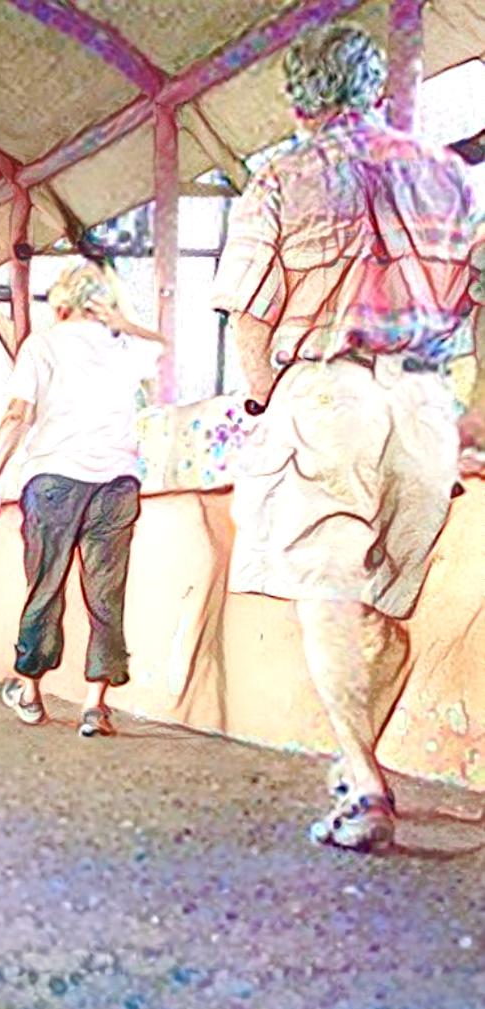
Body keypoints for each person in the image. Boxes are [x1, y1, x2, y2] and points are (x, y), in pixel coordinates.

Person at [211, 23, 484, 851]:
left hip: (326, 392)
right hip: (426, 404)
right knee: (390, 602)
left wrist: (262, 404)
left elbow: (252, 324)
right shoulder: (450, 176)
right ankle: (357, 766)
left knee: (328, 589)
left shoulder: (280, 179)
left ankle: (364, 781)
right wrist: (475, 413)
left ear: (296, 101)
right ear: (372, 91)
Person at [0, 261, 163, 738]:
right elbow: (163, 350)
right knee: (107, 593)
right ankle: (94, 705)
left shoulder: (41, 344)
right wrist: (123, 325)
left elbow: (17, 415)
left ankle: (30, 693)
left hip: (53, 482)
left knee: (45, 586)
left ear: (60, 302)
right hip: (117, 484)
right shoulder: (124, 345)